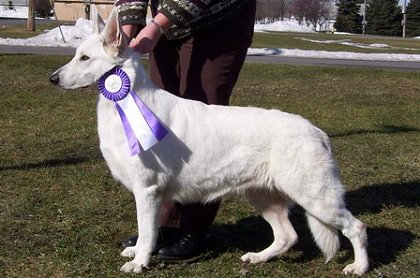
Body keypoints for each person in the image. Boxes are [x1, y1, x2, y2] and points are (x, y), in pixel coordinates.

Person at [115, 0, 256, 261]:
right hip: (166, 29)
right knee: (161, 123)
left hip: (217, 24)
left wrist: (157, 24)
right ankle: (164, 227)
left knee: (203, 123)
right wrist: (126, 31)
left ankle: (194, 228)